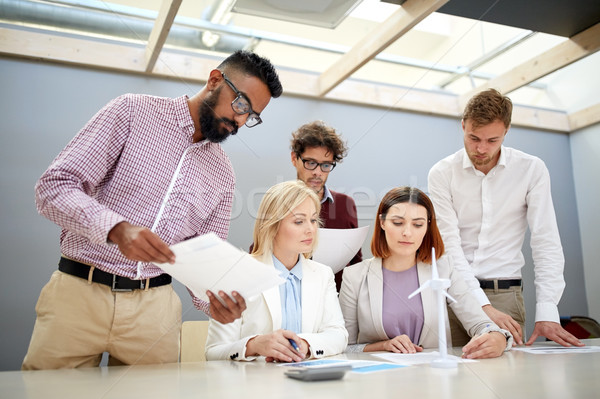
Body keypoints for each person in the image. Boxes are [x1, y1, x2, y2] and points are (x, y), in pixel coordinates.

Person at [23, 50, 283, 370]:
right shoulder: (132, 111)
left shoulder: (223, 173)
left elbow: (204, 256)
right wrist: (117, 229)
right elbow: (53, 187)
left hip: (155, 312)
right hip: (78, 296)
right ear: (215, 80)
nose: (241, 120)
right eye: (241, 104)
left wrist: (215, 302)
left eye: (252, 115)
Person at [427, 88, 583, 348]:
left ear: (506, 131)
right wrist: (481, 304)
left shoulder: (531, 169)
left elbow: (546, 240)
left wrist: (547, 311)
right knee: (456, 376)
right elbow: (449, 246)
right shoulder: (442, 173)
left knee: (509, 379)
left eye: (492, 140)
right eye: (473, 137)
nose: (480, 148)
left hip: (507, 296)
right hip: (455, 295)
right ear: (462, 126)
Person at [339, 187, 512, 359]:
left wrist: (498, 339)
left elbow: (481, 324)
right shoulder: (354, 276)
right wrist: (382, 346)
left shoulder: (445, 269)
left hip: (434, 377)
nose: (407, 233)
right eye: (398, 223)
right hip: (379, 380)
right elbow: (343, 347)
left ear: (427, 226)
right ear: (382, 222)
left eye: (417, 224)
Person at [206, 180, 348, 362]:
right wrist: (254, 345)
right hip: (253, 385)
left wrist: (305, 344)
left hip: (310, 385)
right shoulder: (236, 273)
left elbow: (338, 335)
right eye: (299, 221)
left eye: (313, 220)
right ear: (272, 227)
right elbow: (213, 352)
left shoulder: (323, 274)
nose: (311, 229)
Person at [290, 120, 362, 291]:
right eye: (310, 162)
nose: (317, 171)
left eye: (326, 165)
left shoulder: (345, 205)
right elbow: (259, 254)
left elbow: (355, 262)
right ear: (295, 158)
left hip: (335, 300)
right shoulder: (279, 202)